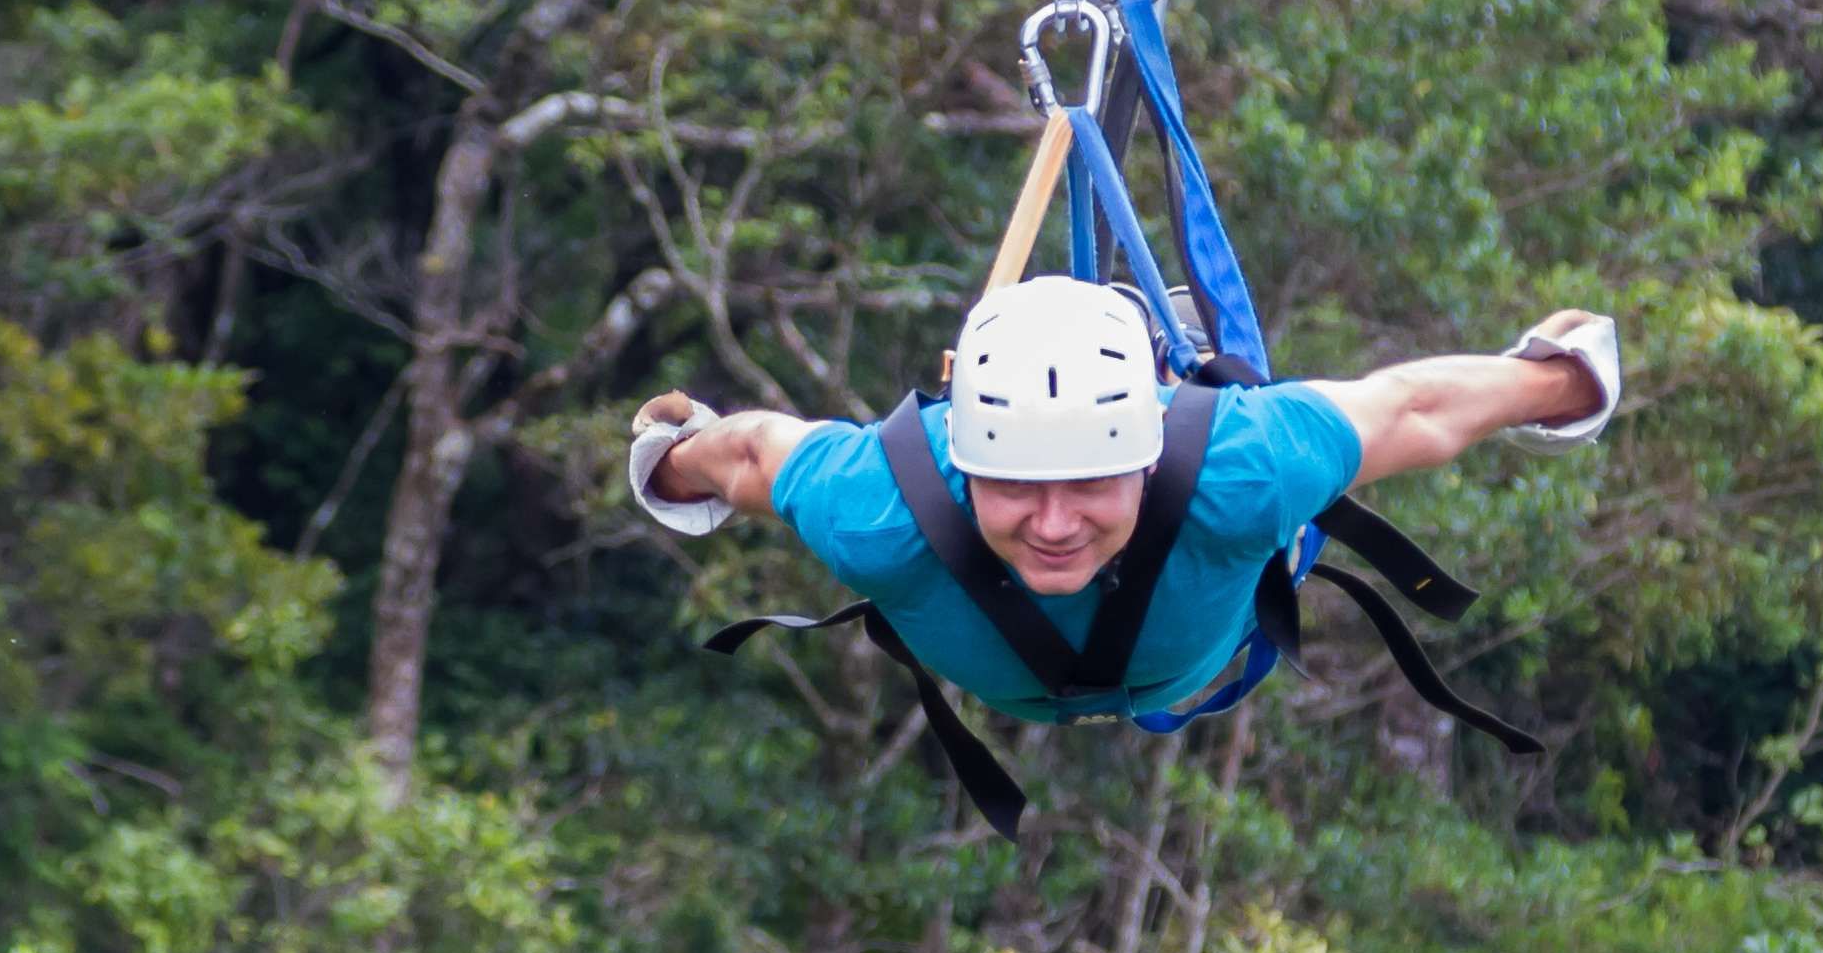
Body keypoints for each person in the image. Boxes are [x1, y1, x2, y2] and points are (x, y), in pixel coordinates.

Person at [626, 277, 1616, 759]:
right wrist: (670, 464)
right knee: (1257, 449)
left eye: (1088, 482)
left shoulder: (1235, 465)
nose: (1054, 523)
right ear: (964, 467)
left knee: (1260, 458)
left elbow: (1416, 407)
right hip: (1157, 636)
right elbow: (752, 454)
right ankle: (1169, 348)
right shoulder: (886, 507)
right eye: (1017, 486)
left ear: (1144, 451)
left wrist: (1556, 382)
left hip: (1182, 603)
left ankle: (1171, 361)